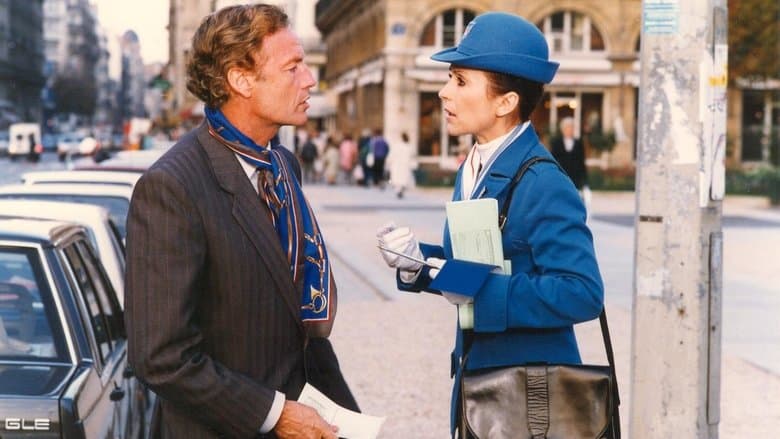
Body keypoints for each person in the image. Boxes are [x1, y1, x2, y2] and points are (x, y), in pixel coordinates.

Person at [125, 5, 356, 438]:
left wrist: (345, 414)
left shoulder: (283, 165)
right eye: (293, 67)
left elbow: (298, 323)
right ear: (241, 79)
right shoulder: (172, 188)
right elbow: (160, 357)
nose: (309, 79)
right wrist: (275, 414)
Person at [375, 12, 604, 438]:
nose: (444, 91)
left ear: (505, 102)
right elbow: (480, 263)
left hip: (530, 405)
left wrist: (483, 293)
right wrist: (418, 263)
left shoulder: (544, 181)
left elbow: (582, 292)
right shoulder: (476, 164)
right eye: (450, 78)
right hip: (483, 389)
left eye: (461, 81)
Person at [551, 116, 589, 193]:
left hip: (575, 176)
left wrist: (584, 179)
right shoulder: (556, 143)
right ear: (563, 129)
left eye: (572, 128)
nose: (570, 130)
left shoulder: (579, 143)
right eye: (568, 128)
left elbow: (581, 161)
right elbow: (553, 159)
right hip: (561, 175)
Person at [387, 132, 416, 198]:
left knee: (396, 178)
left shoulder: (396, 146)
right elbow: (412, 156)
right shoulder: (409, 146)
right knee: (404, 178)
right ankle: (401, 189)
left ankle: (398, 190)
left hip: (396, 164)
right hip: (405, 165)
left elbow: (391, 155)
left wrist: (388, 162)